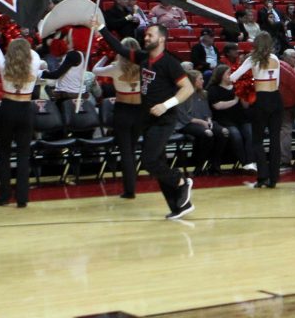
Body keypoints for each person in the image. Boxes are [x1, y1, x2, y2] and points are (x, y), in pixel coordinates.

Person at [95, 20, 196, 219]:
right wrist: (101, 28)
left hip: (164, 119)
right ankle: (178, 206)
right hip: (147, 119)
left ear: (161, 38)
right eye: (146, 35)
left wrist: (166, 105)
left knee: (148, 161)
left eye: (150, 35)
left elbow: (188, 88)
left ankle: (182, 181)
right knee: (158, 163)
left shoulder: (169, 63)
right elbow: (119, 48)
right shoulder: (142, 58)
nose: (146, 38)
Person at [0, 26, 42, 207]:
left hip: (7, 109)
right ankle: (22, 198)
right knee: (23, 155)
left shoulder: (3, 65)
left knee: (3, 154)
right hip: (25, 109)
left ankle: (3, 197)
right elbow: (33, 53)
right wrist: (25, 44)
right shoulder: (35, 62)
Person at [92, 37, 145, 197]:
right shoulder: (144, 66)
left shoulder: (115, 67)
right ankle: (132, 187)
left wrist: (105, 57)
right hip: (139, 111)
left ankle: (130, 190)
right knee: (133, 149)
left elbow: (95, 70)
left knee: (126, 152)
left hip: (122, 111)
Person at [229, 32, 283, 188]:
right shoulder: (275, 59)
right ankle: (273, 178)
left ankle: (262, 177)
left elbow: (234, 77)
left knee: (257, 140)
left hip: (261, 100)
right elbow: (277, 82)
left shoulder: (252, 59)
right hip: (276, 99)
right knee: (275, 139)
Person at [176, 70, 229, 176]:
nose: (203, 81)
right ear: (193, 81)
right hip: (186, 123)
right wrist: (200, 122)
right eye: (200, 79)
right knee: (207, 134)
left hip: (203, 121)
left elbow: (207, 112)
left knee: (223, 132)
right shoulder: (182, 94)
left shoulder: (204, 94)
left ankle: (215, 165)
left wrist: (208, 119)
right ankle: (198, 168)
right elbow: (182, 115)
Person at [207, 65, 255, 171]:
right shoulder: (213, 89)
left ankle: (251, 162)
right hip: (224, 120)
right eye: (228, 73)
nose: (231, 75)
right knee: (236, 136)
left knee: (250, 134)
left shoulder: (237, 86)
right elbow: (217, 106)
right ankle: (244, 163)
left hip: (241, 118)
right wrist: (234, 101)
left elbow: (245, 106)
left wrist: (244, 95)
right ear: (221, 75)